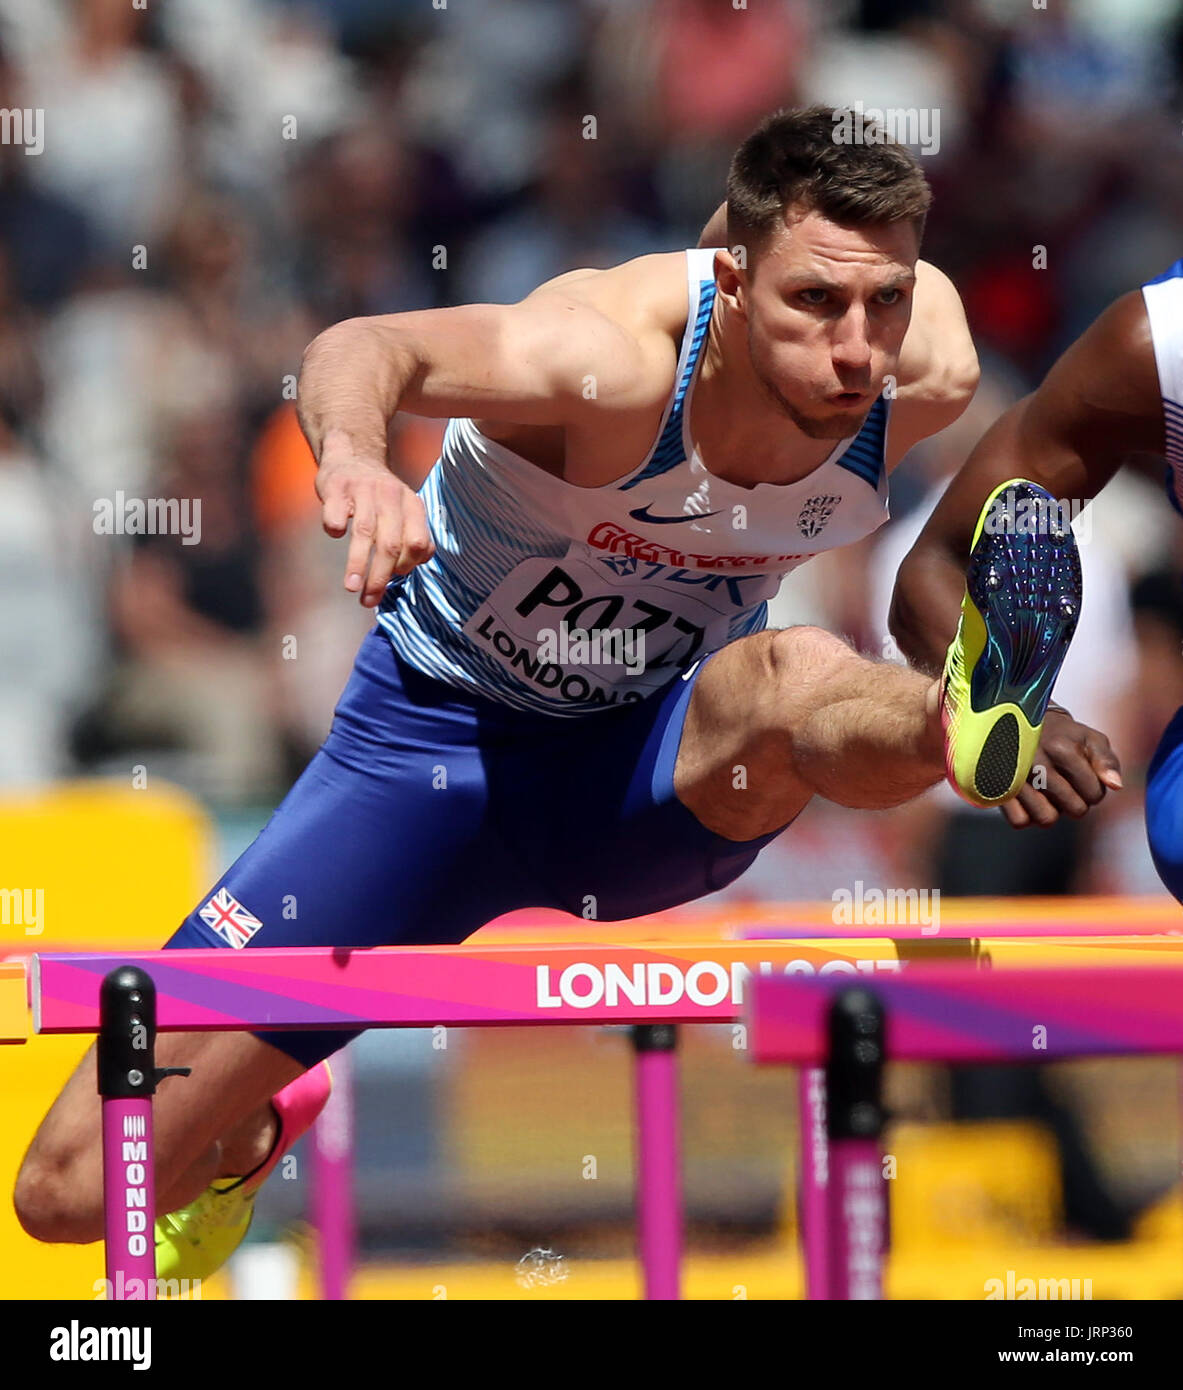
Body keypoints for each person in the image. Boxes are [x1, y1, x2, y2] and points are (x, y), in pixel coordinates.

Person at [15, 106, 1060, 1282]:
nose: (856, 352)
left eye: (887, 302)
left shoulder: (926, 372)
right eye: (814, 303)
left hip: (642, 767)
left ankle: (962, 716)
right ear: (731, 279)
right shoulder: (600, 358)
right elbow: (364, 348)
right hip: (425, 754)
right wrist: (358, 458)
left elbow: (869, 318)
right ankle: (253, 1125)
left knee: (792, 673)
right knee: (69, 1188)